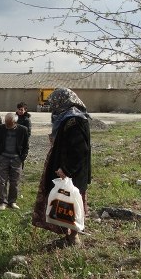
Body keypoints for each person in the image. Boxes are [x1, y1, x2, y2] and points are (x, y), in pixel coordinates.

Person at [32, 88, 91, 246]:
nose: (53, 107)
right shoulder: (68, 117)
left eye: (54, 103)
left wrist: (66, 170)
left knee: (70, 203)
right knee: (65, 203)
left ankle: (73, 238)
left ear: (62, 102)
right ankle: (68, 237)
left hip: (72, 173)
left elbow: (80, 150)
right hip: (68, 170)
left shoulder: (74, 120)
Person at [0, 112, 29, 211]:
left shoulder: (23, 130)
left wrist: (21, 158)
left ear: (15, 122)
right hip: (3, 158)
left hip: (16, 159)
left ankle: (12, 201)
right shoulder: (0, 128)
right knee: (2, 182)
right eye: (6, 123)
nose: (7, 125)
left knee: (15, 182)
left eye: (9, 124)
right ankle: (2, 202)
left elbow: (26, 146)